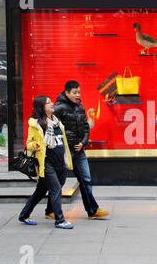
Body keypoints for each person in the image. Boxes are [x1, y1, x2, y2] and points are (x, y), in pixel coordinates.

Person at [45, 80, 109, 220]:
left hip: (79, 150)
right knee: (59, 182)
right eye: (74, 92)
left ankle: (92, 210)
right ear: (66, 92)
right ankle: (50, 210)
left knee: (86, 179)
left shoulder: (80, 107)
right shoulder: (59, 108)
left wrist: (83, 142)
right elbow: (53, 129)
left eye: (79, 92)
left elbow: (86, 128)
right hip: (64, 151)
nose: (77, 95)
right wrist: (64, 145)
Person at [18, 95, 74, 229]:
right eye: (48, 103)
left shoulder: (56, 121)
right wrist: (35, 145)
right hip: (46, 163)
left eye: (51, 102)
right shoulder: (36, 124)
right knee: (55, 189)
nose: (52, 104)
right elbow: (29, 143)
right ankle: (60, 220)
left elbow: (62, 139)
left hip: (59, 163)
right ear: (41, 107)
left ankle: (24, 215)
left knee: (40, 192)